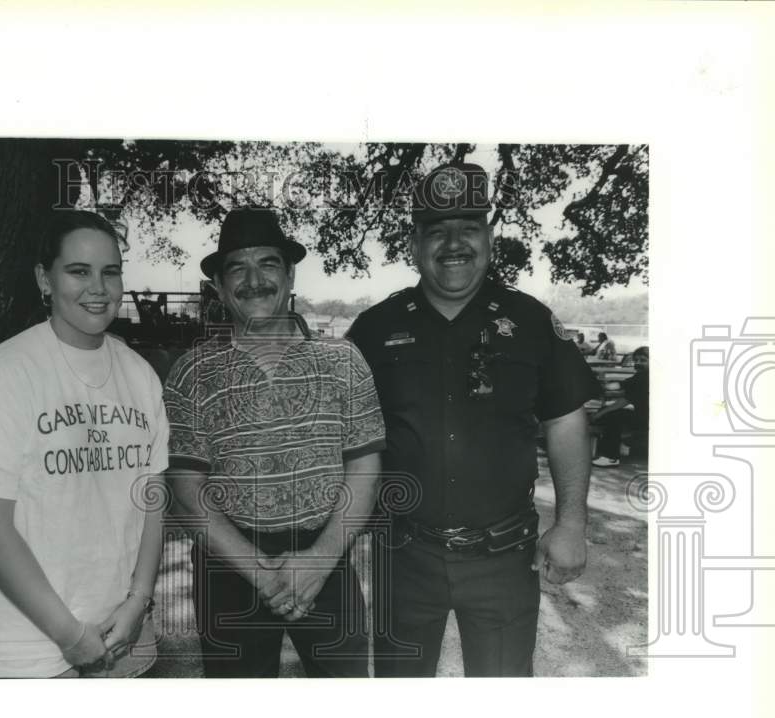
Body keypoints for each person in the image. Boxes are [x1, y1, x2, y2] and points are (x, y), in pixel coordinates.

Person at [348, 163, 600, 677]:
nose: (453, 243)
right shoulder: (374, 330)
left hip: (504, 558)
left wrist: (571, 523)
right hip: (405, 557)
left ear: (489, 237)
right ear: (415, 245)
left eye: (468, 228)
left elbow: (566, 421)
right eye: (436, 231)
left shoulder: (530, 322)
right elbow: (342, 435)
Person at [0, 210, 169, 678]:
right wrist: (69, 634)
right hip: (30, 651)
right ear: (45, 279)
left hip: (127, 635)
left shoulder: (139, 375)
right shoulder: (7, 372)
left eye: (110, 271)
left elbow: (152, 501)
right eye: (78, 271)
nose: (97, 288)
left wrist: (139, 600)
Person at [163, 208, 385, 677]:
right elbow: (186, 488)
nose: (254, 279)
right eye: (236, 269)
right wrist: (261, 573)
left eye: (267, 263)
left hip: (325, 556)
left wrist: (320, 562)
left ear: (289, 275)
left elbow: (364, 469)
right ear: (220, 288)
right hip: (228, 565)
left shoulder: (343, 360)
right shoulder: (191, 372)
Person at [591, 346, 649, 467]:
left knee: (613, 415)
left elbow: (624, 401)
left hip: (646, 420)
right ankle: (623, 443)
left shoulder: (644, 377)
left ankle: (611, 457)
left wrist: (599, 414)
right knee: (612, 412)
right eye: (636, 360)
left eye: (643, 360)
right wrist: (602, 387)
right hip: (647, 416)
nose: (638, 363)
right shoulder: (642, 376)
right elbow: (621, 385)